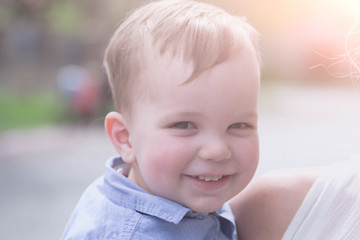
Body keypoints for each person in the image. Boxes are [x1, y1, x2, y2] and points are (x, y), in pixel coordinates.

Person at [61, 0, 260, 239]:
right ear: (126, 138)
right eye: (184, 125)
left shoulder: (165, 189)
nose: (217, 150)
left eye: (239, 125)